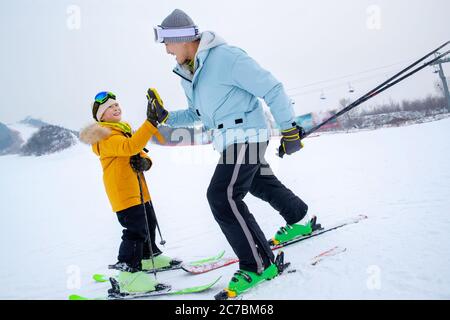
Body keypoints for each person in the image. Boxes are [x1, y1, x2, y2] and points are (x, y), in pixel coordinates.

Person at [149, 9, 318, 296]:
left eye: (168, 43)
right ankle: (297, 216)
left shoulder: (226, 57)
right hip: (229, 141)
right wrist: (166, 116)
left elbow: (272, 88)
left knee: (222, 195)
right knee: (257, 182)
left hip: (248, 135)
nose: (166, 50)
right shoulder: (188, 75)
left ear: (182, 39)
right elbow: (196, 113)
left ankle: (258, 264)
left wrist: (289, 129)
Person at [79, 91, 178, 293]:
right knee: (135, 231)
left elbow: (138, 151)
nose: (115, 109)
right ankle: (128, 275)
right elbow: (130, 147)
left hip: (138, 190)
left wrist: (145, 162)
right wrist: (151, 122)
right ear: (101, 117)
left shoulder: (122, 131)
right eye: (109, 108)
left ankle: (149, 257)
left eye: (116, 105)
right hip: (123, 192)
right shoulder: (105, 136)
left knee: (148, 223)